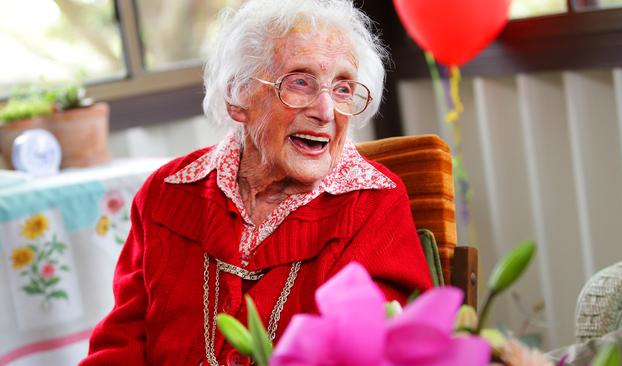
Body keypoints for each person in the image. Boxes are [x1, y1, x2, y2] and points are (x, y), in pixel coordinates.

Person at [81, 0, 432, 364]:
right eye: (300, 82)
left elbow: (372, 349)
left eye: (343, 89)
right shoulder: (167, 192)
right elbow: (122, 341)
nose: (326, 111)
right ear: (238, 96)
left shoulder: (372, 205)